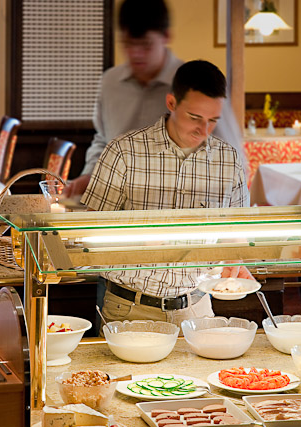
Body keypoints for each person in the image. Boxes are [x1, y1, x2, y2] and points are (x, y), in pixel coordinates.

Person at [82, 60, 253, 326]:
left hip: (197, 307)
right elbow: (89, 235)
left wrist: (234, 261)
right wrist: (141, 240)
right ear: (171, 103)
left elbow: (236, 231)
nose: (204, 130)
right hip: (130, 308)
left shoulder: (228, 160)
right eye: (194, 117)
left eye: (212, 120)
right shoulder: (124, 152)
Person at [65, 0, 245, 198]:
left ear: (166, 36)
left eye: (146, 45)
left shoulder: (197, 84)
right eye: (128, 44)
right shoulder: (110, 83)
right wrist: (90, 175)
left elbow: (233, 159)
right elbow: (103, 139)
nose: (136, 54)